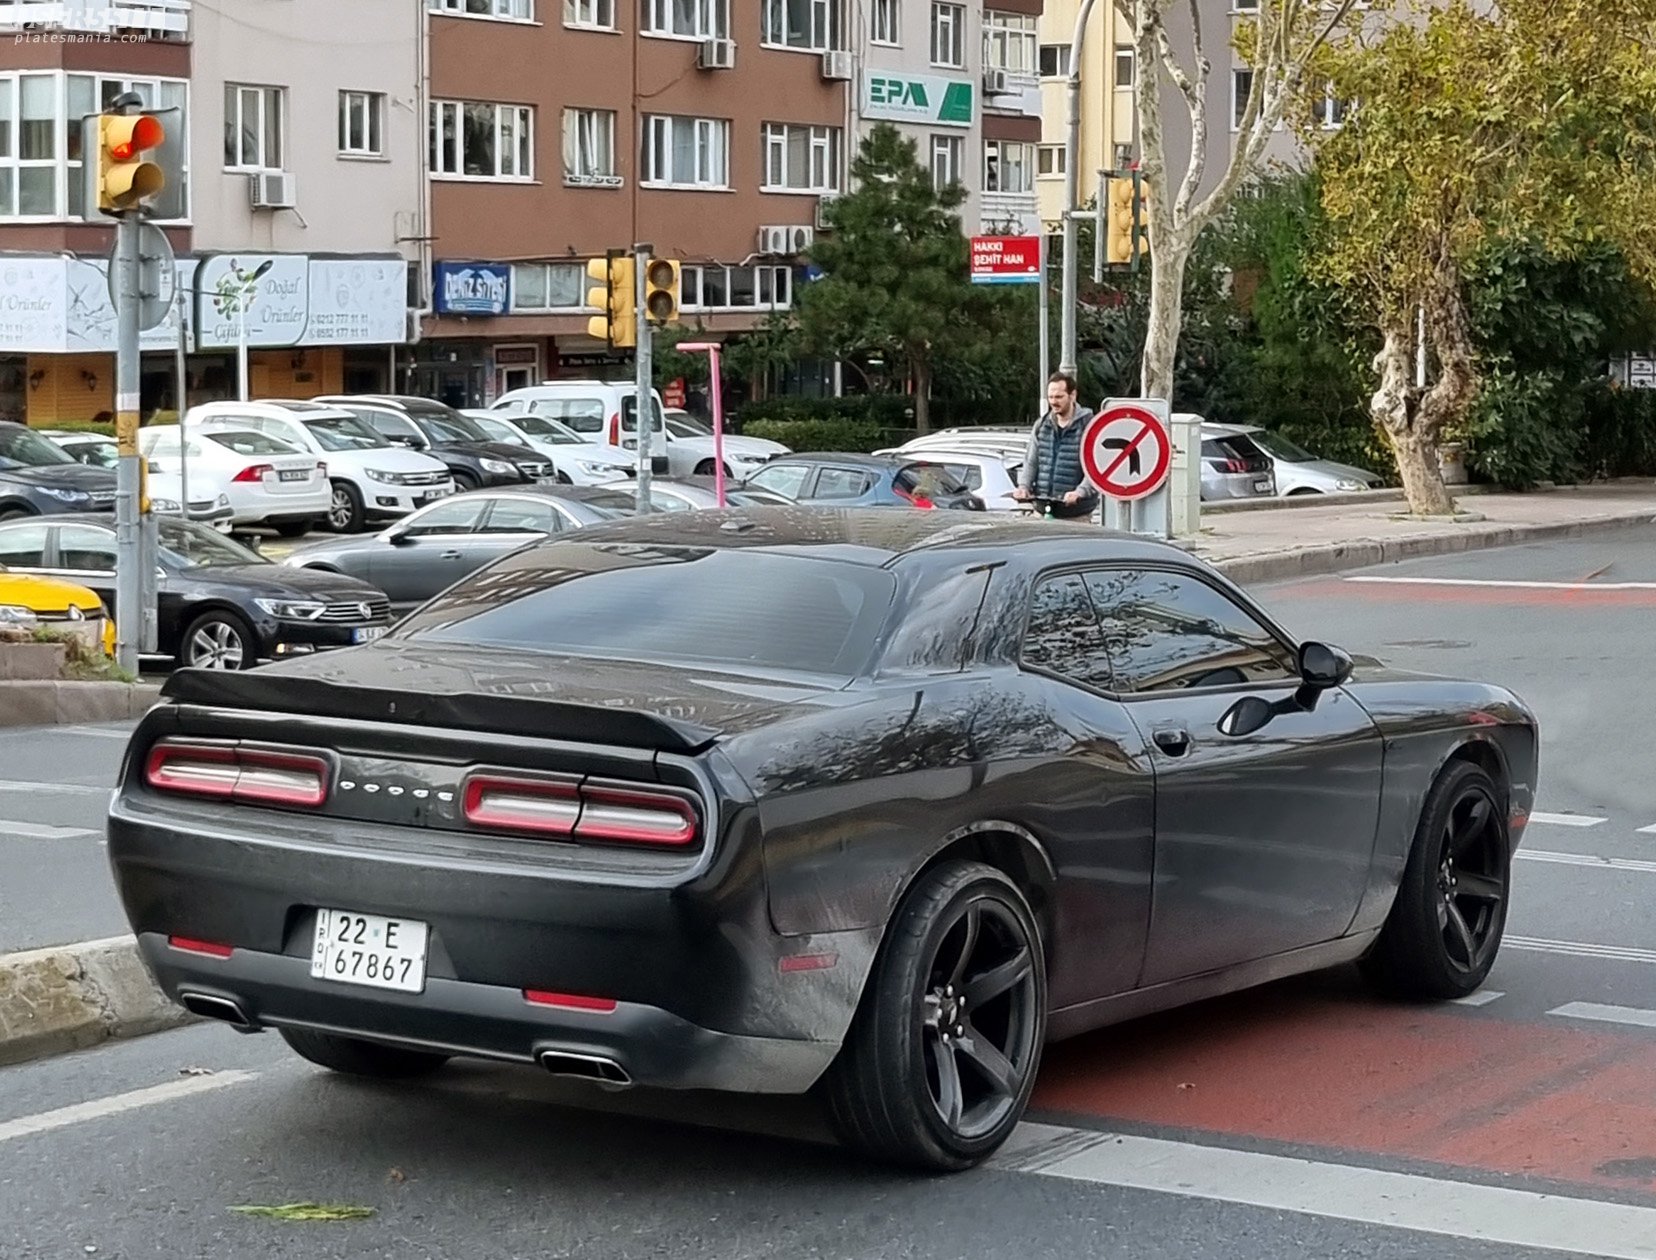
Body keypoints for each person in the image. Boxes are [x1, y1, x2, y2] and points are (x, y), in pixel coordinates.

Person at [1013, 372, 1098, 520]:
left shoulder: (1088, 425)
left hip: (1076, 514)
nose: (1053, 402)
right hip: (1042, 511)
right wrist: (1023, 487)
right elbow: (1031, 462)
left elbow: (1096, 467)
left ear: (1072, 395)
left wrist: (1080, 492)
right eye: (1050, 397)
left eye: (1059, 397)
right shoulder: (1042, 425)